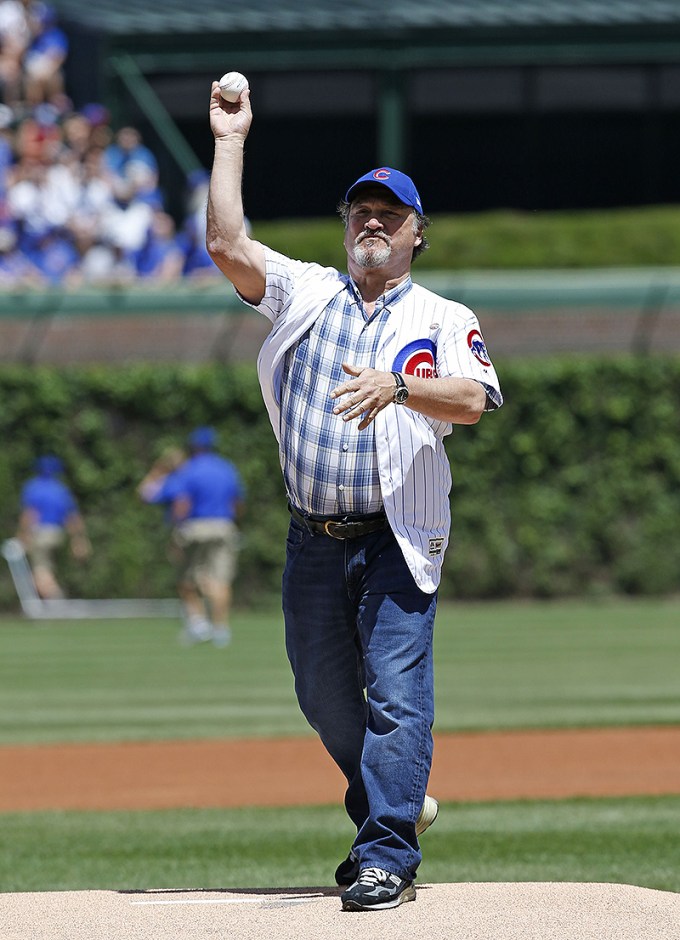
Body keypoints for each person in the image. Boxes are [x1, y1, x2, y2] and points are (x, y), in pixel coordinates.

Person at [205, 80, 503, 911]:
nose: (373, 222)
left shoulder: (443, 315)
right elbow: (227, 243)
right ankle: (389, 804)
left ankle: (386, 855)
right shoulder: (306, 290)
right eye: (360, 211)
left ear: (417, 234)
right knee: (321, 694)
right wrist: (231, 141)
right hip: (311, 535)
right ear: (346, 228)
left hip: (395, 535)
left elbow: (476, 401)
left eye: (390, 213)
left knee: (397, 692)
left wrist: (398, 390)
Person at [140, 428, 244, 647]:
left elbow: (159, 497)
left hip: (195, 527)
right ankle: (221, 630)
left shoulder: (188, 470)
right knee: (221, 580)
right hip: (224, 526)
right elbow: (237, 503)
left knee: (188, 578)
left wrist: (161, 467)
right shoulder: (227, 468)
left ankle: (198, 625)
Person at [16, 454, 91, 599]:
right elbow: (72, 517)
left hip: (40, 533)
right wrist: (79, 539)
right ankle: (54, 599)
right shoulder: (61, 490)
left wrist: (23, 535)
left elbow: (30, 514)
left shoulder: (33, 487)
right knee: (48, 570)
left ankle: (57, 601)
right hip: (58, 533)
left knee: (40, 571)